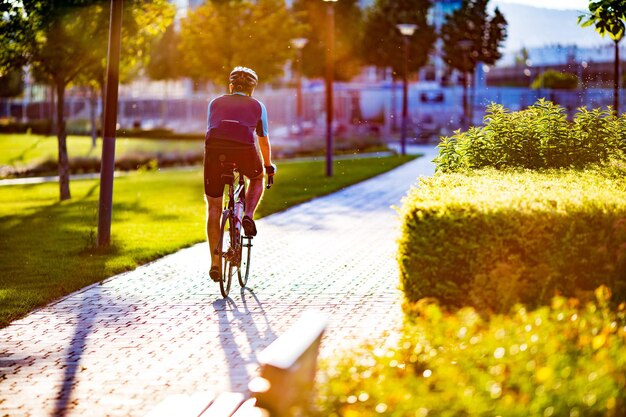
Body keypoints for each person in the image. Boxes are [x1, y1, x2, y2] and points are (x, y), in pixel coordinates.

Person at [204, 66, 276, 282]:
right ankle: (247, 216)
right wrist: (268, 165)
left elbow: (211, 130)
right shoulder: (258, 106)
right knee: (256, 177)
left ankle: (215, 263)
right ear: (252, 89)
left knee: (214, 207)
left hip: (215, 152)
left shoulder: (214, 103)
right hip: (244, 150)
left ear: (231, 86)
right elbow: (263, 139)